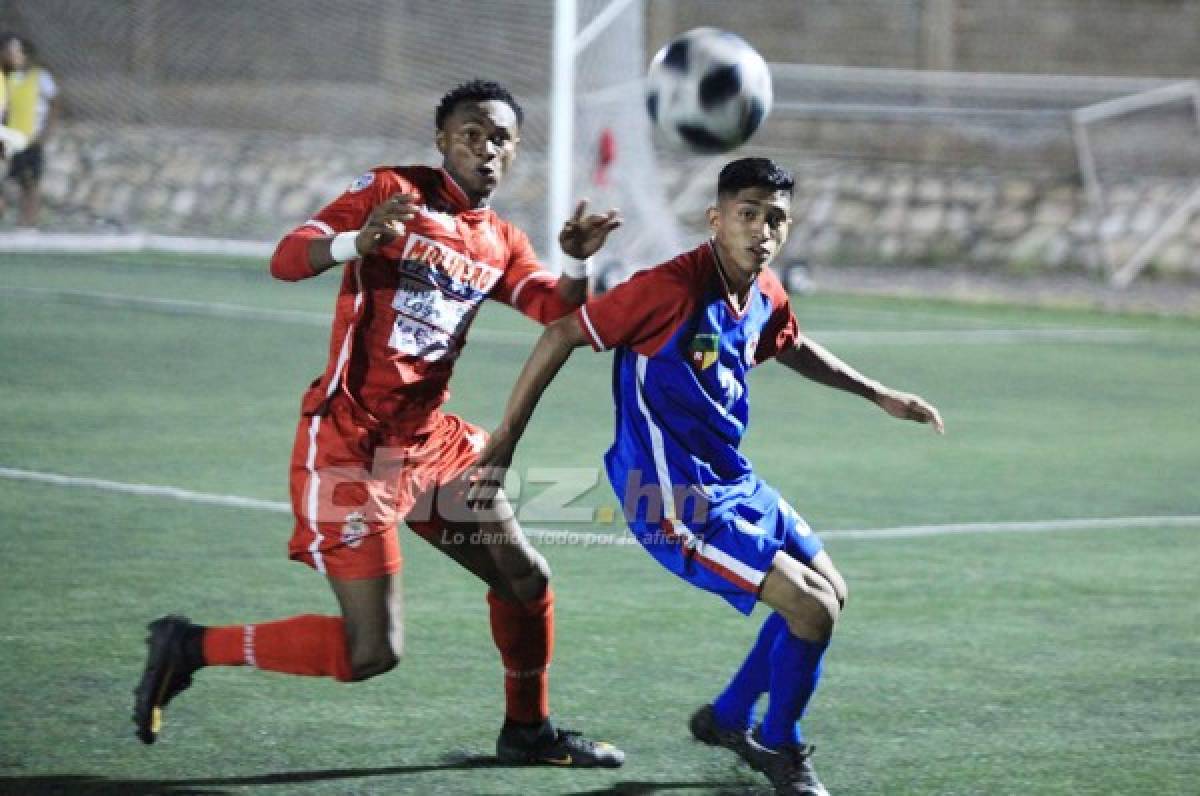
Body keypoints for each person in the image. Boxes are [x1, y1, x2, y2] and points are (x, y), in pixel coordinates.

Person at [133, 79, 626, 768]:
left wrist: (577, 260)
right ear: (443, 139)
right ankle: (190, 645)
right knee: (373, 653)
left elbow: (555, 307)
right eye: (472, 133)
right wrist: (353, 243)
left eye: (501, 138)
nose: (487, 148)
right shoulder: (392, 191)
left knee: (525, 580)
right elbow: (285, 258)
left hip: (429, 446)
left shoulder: (502, 241)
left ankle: (527, 732)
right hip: (351, 450)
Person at [470, 157, 944, 794]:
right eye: (748, 215)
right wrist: (506, 439)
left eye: (775, 219)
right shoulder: (668, 288)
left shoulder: (765, 290)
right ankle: (779, 748)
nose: (762, 231)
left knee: (832, 592)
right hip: (670, 499)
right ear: (715, 219)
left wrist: (879, 393)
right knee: (811, 611)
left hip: (733, 480)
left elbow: (790, 343)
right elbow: (560, 333)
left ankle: (727, 717)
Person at [0, 33, 58, 227]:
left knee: (30, 182)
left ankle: (28, 224)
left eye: (18, 52)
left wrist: (46, 133)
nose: (15, 56)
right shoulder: (7, 77)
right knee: (10, 182)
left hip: (31, 138)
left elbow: (54, 104)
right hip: (10, 138)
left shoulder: (40, 76)